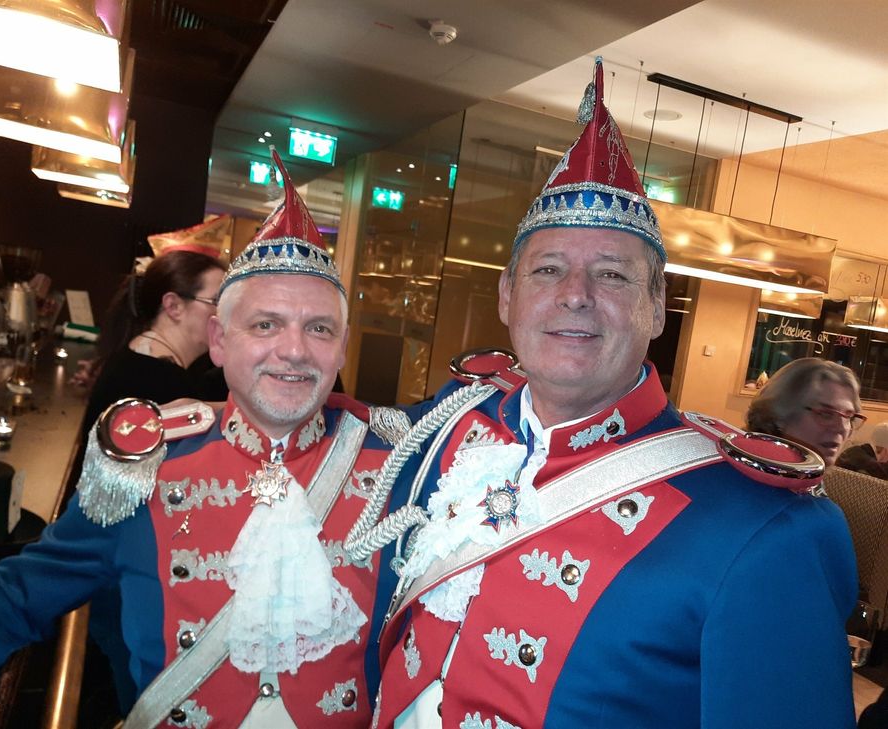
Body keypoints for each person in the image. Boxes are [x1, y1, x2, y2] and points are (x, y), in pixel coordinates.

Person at [350, 58, 858, 729]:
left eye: (613, 275)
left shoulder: (766, 527)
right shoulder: (446, 426)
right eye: (549, 268)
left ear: (658, 307)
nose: (575, 294)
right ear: (507, 297)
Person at [0, 149, 412, 728]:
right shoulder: (145, 464)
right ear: (220, 342)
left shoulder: (399, 463)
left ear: (343, 349)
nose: (296, 350)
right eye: (266, 324)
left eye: (319, 328)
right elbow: (18, 593)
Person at [81, 247, 229, 436]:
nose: (227, 313)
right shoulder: (161, 381)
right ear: (173, 306)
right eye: (217, 301)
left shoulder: (141, 356)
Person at [746, 357, 865, 467]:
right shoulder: (749, 477)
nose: (841, 428)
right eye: (826, 414)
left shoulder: (805, 478)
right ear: (779, 417)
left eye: (849, 417)